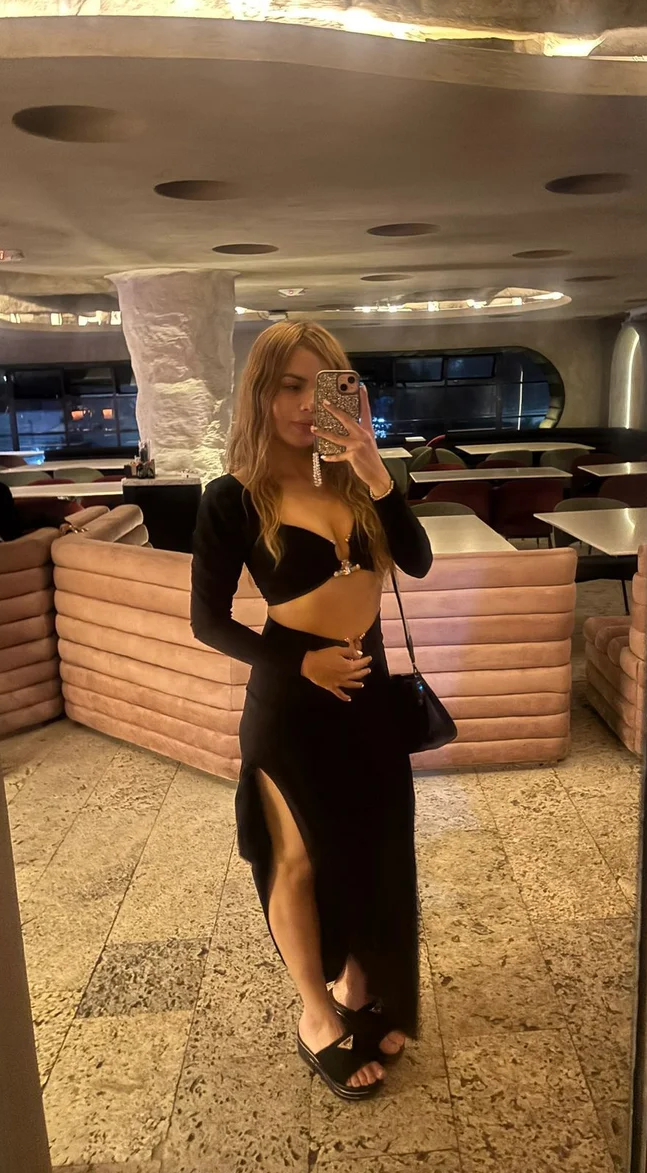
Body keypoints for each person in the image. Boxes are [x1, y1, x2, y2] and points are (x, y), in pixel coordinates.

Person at [190, 322, 432, 1101]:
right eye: (288, 387)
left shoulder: (361, 480)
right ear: (260, 395)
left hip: (369, 697)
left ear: (346, 395)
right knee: (296, 858)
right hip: (291, 703)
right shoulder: (233, 497)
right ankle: (317, 1013)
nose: (303, 404)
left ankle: (359, 985)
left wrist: (377, 471)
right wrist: (301, 661)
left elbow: (419, 561)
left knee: (373, 848)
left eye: (321, 386)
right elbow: (207, 621)